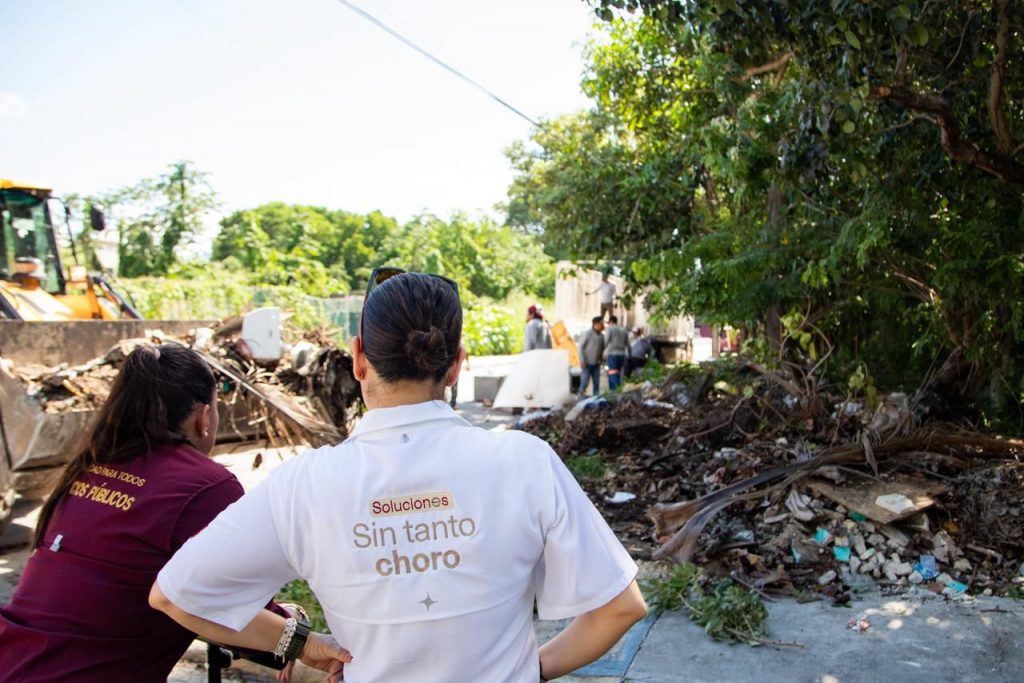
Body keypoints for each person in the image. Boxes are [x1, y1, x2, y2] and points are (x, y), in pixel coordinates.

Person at [151, 269, 647, 683]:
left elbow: (175, 596)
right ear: (456, 366)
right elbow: (621, 607)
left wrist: (302, 644)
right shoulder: (525, 461)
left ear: (359, 358)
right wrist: (527, 671)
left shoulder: (301, 485)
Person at [0, 344, 303, 683]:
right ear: (203, 418)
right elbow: (229, 607)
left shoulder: (88, 468)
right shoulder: (205, 486)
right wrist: (299, 633)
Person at [577, 316, 606, 398]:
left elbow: (602, 349)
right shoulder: (588, 334)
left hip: (596, 363)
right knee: (585, 382)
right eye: (601, 324)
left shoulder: (601, 336)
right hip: (587, 363)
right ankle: (580, 397)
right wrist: (582, 360)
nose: (603, 326)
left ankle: (595, 398)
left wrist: (601, 360)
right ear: (595, 324)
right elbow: (580, 347)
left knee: (596, 383)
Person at [603, 315, 629, 391]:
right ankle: (612, 391)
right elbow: (628, 345)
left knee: (613, 373)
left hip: (613, 355)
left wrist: (601, 352)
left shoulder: (610, 329)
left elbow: (606, 342)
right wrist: (630, 356)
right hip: (622, 355)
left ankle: (616, 391)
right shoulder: (623, 330)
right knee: (617, 373)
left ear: (610, 321)